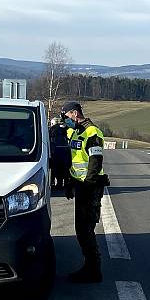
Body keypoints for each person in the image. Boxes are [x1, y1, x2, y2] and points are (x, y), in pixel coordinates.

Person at [61, 101, 110, 283]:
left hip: (91, 186)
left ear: (74, 113)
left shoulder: (92, 132)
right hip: (80, 185)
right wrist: (70, 183)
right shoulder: (75, 132)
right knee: (81, 229)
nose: (65, 121)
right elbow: (75, 161)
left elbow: (95, 161)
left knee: (86, 229)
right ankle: (89, 266)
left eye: (66, 117)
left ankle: (93, 270)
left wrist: (88, 184)